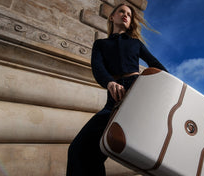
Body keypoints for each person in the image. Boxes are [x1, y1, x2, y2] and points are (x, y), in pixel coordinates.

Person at [66, 3, 167, 176]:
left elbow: (159, 68)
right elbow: (97, 67)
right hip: (113, 100)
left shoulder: (135, 43)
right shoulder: (100, 44)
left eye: (129, 14)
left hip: (136, 94)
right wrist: (110, 82)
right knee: (79, 151)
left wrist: (143, 85)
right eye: (121, 11)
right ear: (112, 17)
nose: (126, 15)